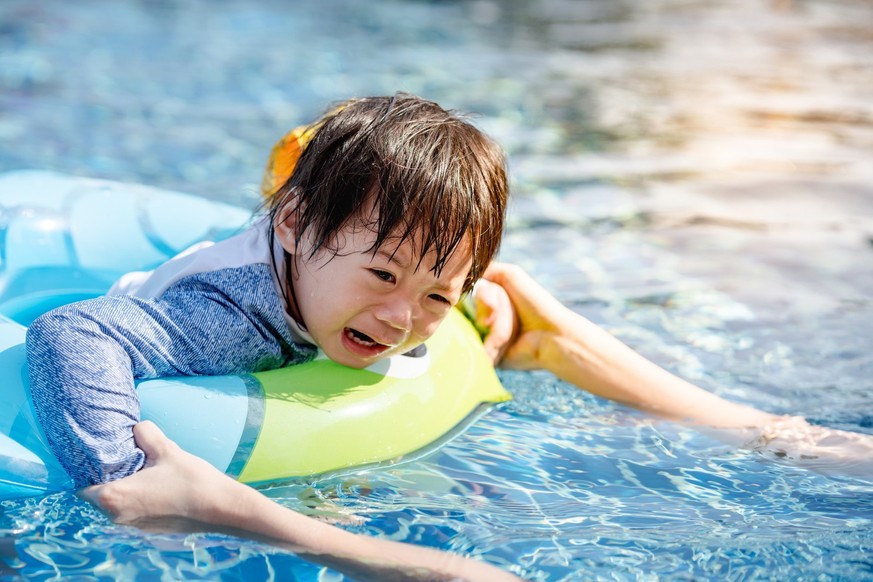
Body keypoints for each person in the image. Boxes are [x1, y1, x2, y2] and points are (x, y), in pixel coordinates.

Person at [26, 93, 508, 487]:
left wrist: (483, 296)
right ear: (295, 223)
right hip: (151, 333)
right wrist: (121, 482)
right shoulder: (232, 318)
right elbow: (72, 332)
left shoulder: (358, 260)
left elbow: (421, 266)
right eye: (384, 276)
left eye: (437, 297)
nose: (401, 320)